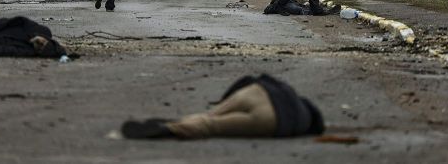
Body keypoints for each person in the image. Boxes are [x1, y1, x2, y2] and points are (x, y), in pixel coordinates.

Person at [121, 74, 325, 139]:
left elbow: (249, 79)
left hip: (256, 91)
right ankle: (173, 128)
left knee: (212, 114)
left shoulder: (290, 92)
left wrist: (224, 101)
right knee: (213, 126)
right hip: (271, 118)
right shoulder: (302, 122)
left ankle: (194, 117)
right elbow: (286, 129)